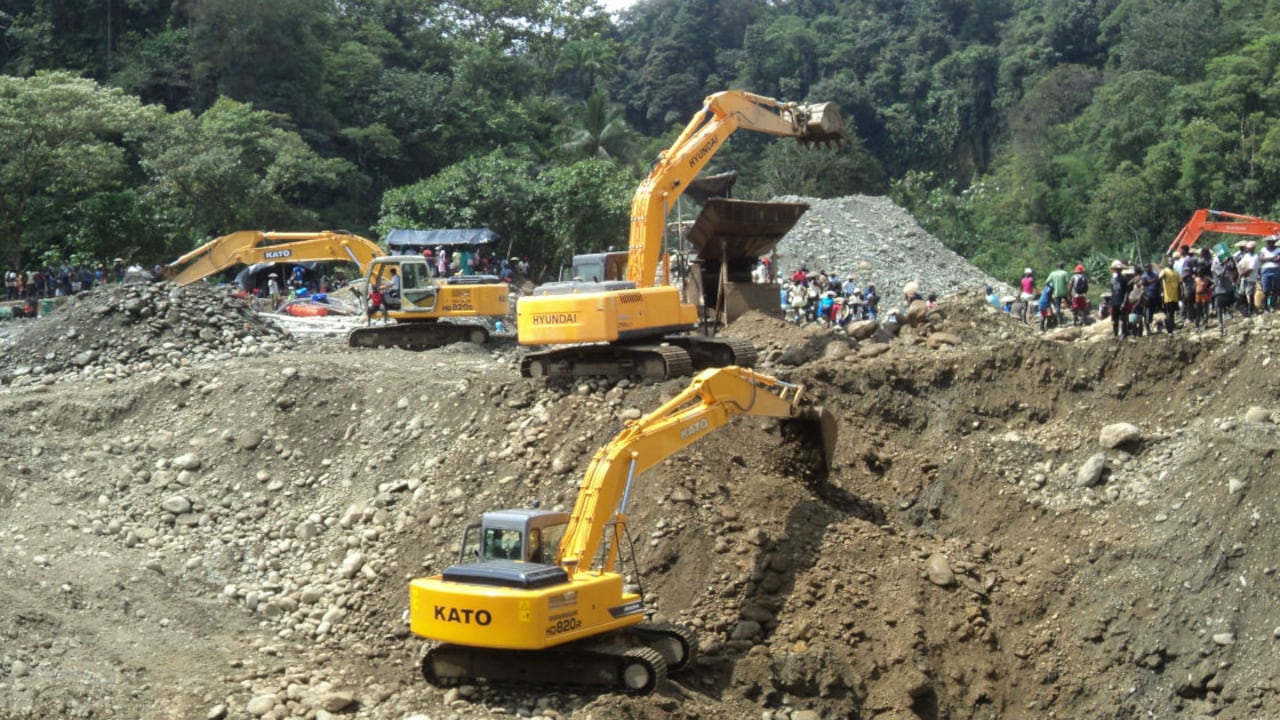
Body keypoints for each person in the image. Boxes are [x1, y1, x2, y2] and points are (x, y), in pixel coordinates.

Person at [1213, 255, 1238, 335]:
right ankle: (1220, 325)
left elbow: (1234, 269)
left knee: (1235, 301)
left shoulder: (1227, 265)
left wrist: (1232, 259)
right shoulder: (1216, 265)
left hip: (1228, 289)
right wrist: (1225, 265)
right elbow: (1220, 274)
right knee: (1219, 308)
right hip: (1220, 290)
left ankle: (1230, 317)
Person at [1158, 258, 1181, 334]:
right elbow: (1159, 278)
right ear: (1167, 263)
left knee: (1172, 312)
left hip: (1175, 296)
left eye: (1172, 261)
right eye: (1169, 261)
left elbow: (1179, 284)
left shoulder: (1176, 273)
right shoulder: (1165, 271)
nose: (1171, 263)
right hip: (1168, 296)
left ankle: (1172, 326)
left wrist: (1180, 294)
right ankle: (1169, 329)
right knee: (1169, 312)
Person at [1261, 235, 1280, 312]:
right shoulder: (1263, 249)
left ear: (1274, 242)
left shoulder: (1278, 249)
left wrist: (1267, 259)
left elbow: (1278, 259)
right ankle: (1265, 308)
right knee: (1266, 290)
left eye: (1271, 242)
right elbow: (1261, 259)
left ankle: (1272, 306)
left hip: (1276, 270)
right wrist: (1273, 258)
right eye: (1268, 242)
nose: (1269, 243)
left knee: (1275, 289)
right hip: (1265, 271)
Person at [1109, 261, 1127, 338]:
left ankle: (1123, 333)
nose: (1118, 270)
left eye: (1119, 269)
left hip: (1121, 301)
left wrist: (1124, 302)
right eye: (1117, 269)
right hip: (1114, 301)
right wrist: (1110, 302)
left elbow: (1126, 292)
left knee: (1123, 319)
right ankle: (1115, 334)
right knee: (1114, 320)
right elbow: (1112, 291)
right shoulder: (1112, 279)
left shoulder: (1124, 279)